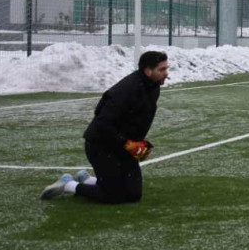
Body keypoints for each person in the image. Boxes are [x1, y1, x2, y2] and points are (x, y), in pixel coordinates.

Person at [40, 50, 169, 203]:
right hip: (101, 145)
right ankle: (69, 185)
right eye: (162, 69)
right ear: (148, 71)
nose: (166, 73)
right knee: (113, 196)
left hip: (122, 144)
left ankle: (88, 180)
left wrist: (140, 142)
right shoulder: (127, 89)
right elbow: (102, 122)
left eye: (167, 68)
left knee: (133, 195)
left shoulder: (153, 86)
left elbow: (137, 119)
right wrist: (127, 143)